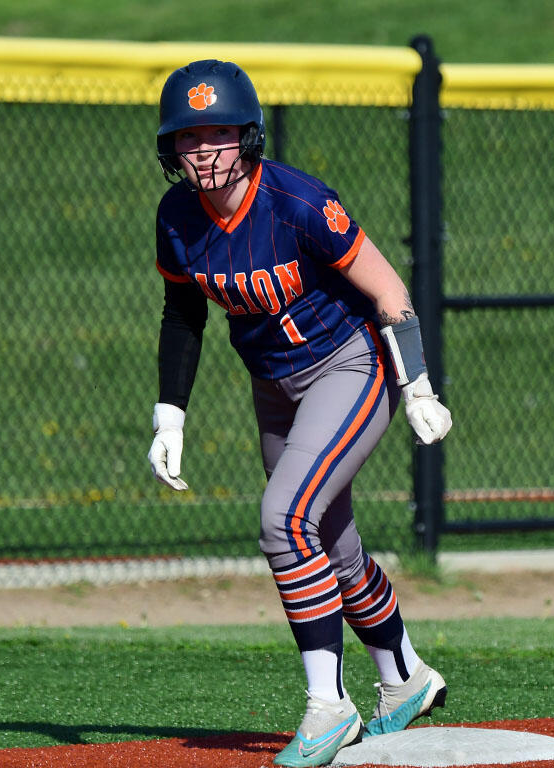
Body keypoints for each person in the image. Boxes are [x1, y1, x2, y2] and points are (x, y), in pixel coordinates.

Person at [145, 59, 451, 768]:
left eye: (219, 133)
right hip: (273, 387)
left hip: (348, 366)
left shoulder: (296, 201)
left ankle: (328, 704)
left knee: (283, 519)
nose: (205, 151)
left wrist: (419, 386)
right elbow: (183, 312)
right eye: (189, 138)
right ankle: (404, 675)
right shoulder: (177, 218)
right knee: (335, 551)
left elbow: (386, 287)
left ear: (247, 136)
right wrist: (171, 416)